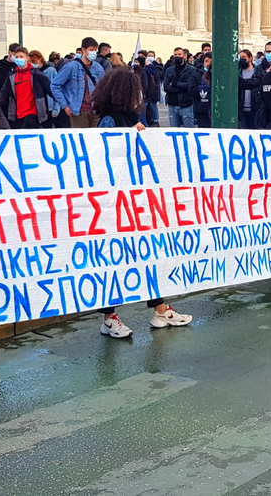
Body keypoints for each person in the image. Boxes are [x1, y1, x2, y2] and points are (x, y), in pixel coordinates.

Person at [88, 68, 192, 337]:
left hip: (136, 204)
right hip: (115, 206)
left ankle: (160, 310)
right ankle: (110, 318)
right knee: (113, 261)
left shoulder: (132, 118)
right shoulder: (110, 121)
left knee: (147, 255)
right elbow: (104, 159)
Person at [50, 37, 106, 128]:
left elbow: (104, 88)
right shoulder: (70, 67)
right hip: (78, 112)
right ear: (83, 49)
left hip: (96, 111)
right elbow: (55, 85)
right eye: (91, 50)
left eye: (95, 50)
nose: (93, 53)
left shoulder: (98, 68)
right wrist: (65, 106)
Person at [0, 45, 54, 129]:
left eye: (21, 56)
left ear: (27, 58)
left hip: (33, 112)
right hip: (17, 113)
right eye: (16, 57)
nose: (19, 59)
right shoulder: (11, 76)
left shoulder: (37, 75)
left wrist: (64, 105)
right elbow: (3, 94)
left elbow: (51, 90)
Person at [163, 47, 200, 127]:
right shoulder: (169, 70)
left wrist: (174, 84)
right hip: (172, 104)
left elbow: (189, 85)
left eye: (179, 54)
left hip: (186, 104)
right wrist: (180, 88)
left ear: (185, 56)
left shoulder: (192, 70)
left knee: (189, 130)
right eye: (175, 55)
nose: (177, 56)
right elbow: (166, 87)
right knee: (174, 131)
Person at [133, 53, 162, 127]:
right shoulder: (137, 71)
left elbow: (145, 84)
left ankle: (146, 125)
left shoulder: (143, 72)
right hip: (140, 95)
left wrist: (143, 94)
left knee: (142, 114)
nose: (135, 64)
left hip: (142, 96)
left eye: (137, 62)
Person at [237, 49, 263, 129]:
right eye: (240, 57)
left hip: (255, 109)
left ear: (250, 58)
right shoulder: (238, 73)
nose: (242, 59)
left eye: (244, 57)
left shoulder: (257, 72)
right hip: (241, 110)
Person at [195, 53, 213, 128]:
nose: (208, 63)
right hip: (201, 111)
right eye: (206, 61)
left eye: (211, 62)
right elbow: (191, 90)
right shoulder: (196, 74)